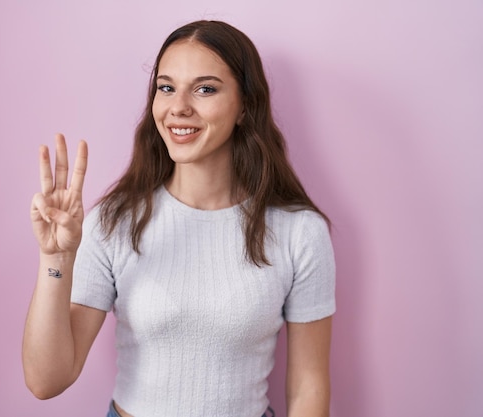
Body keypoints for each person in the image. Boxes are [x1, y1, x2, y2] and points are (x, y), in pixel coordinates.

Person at [22, 20, 335, 417]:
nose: (178, 107)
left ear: (245, 107)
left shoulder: (299, 232)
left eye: (205, 89)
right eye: (166, 87)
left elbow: (309, 388)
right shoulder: (113, 222)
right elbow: (46, 380)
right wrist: (55, 260)